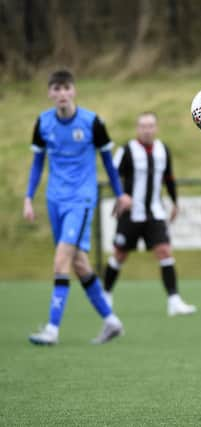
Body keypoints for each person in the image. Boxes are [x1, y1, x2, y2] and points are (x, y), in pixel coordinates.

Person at [24, 69, 132, 345]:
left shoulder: (92, 122)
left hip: (81, 199)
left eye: (66, 88)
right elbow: (37, 163)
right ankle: (111, 321)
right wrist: (28, 197)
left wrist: (120, 194)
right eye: (56, 89)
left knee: (61, 260)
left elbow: (108, 162)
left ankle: (51, 329)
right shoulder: (43, 123)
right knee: (80, 264)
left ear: (74, 91)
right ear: (50, 93)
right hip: (54, 199)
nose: (61, 94)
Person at [102, 112, 196, 316]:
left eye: (151, 125)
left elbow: (169, 177)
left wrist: (175, 202)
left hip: (154, 212)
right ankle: (106, 295)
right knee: (119, 255)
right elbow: (113, 175)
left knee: (164, 251)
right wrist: (120, 196)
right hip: (130, 213)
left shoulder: (163, 150)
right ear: (137, 128)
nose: (147, 129)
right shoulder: (126, 150)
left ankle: (174, 301)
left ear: (156, 128)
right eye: (143, 126)